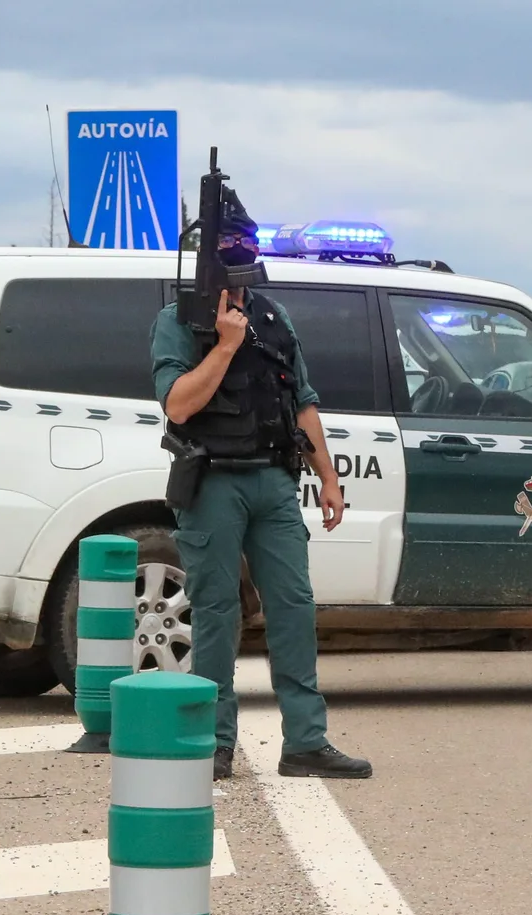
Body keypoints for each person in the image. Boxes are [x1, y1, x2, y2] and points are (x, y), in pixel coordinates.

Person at [150, 190, 373, 782]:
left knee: (294, 608)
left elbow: (302, 399)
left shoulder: (273, 316)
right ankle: (214, 742)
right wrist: (224, 344)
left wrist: (329, 476)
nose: (243, 272)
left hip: (273, 481)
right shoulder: (178, 323)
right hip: (213, 483)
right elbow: (177, 404)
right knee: (218, 613)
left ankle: (305, 741)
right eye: (233, 258)